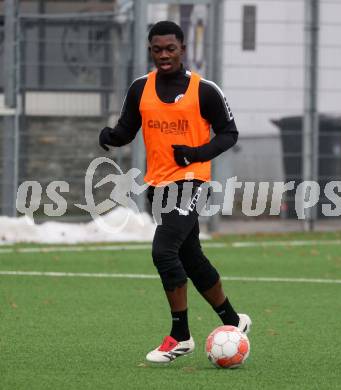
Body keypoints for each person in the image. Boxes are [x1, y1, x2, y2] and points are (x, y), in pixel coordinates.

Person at [99, 20, 251, 363]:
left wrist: (196, 154)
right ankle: (232, 320)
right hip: (158, 185)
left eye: (170, 49)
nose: (164, 55)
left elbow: (229, 133)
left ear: (182, 49)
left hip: (192, 182)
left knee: (164, 251)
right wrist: (110, 136)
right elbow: (126, 129)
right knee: (190, 257)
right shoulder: (141, 88)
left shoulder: (204, 90)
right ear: (150, 50)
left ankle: (180, 335)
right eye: (157, 49)